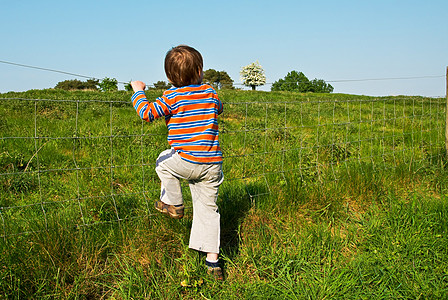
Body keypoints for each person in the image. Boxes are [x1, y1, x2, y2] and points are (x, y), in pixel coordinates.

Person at [130, 45, 224, 280]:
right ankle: (213, 262)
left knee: (162, 161)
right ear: (200, 70)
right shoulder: (210, 93)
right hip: (212, 164)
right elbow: (219, 108)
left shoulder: (172, 96)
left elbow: (147, 113)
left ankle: (173, 203)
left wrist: (137, 91)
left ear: (170, 76)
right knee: (209, 211)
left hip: (186, 159)